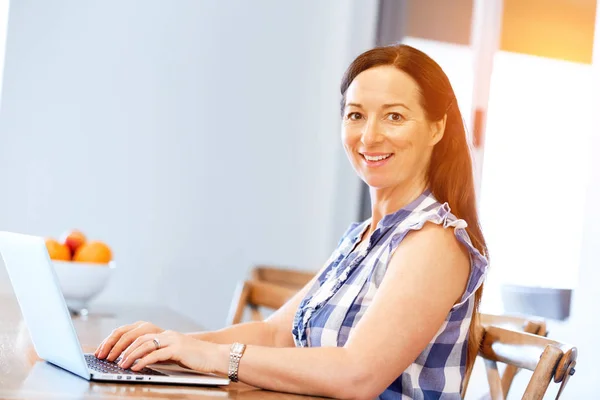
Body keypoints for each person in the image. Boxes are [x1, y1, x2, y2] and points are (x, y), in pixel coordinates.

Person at [95, 44, 488, 399]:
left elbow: (357, 375)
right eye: (356, 115)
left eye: (394, 117)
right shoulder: (364, 238)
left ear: (436, 128)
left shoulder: (435, 241)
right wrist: (172, 344)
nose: (369, 136)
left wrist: (213, 356)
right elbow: (275, 333)